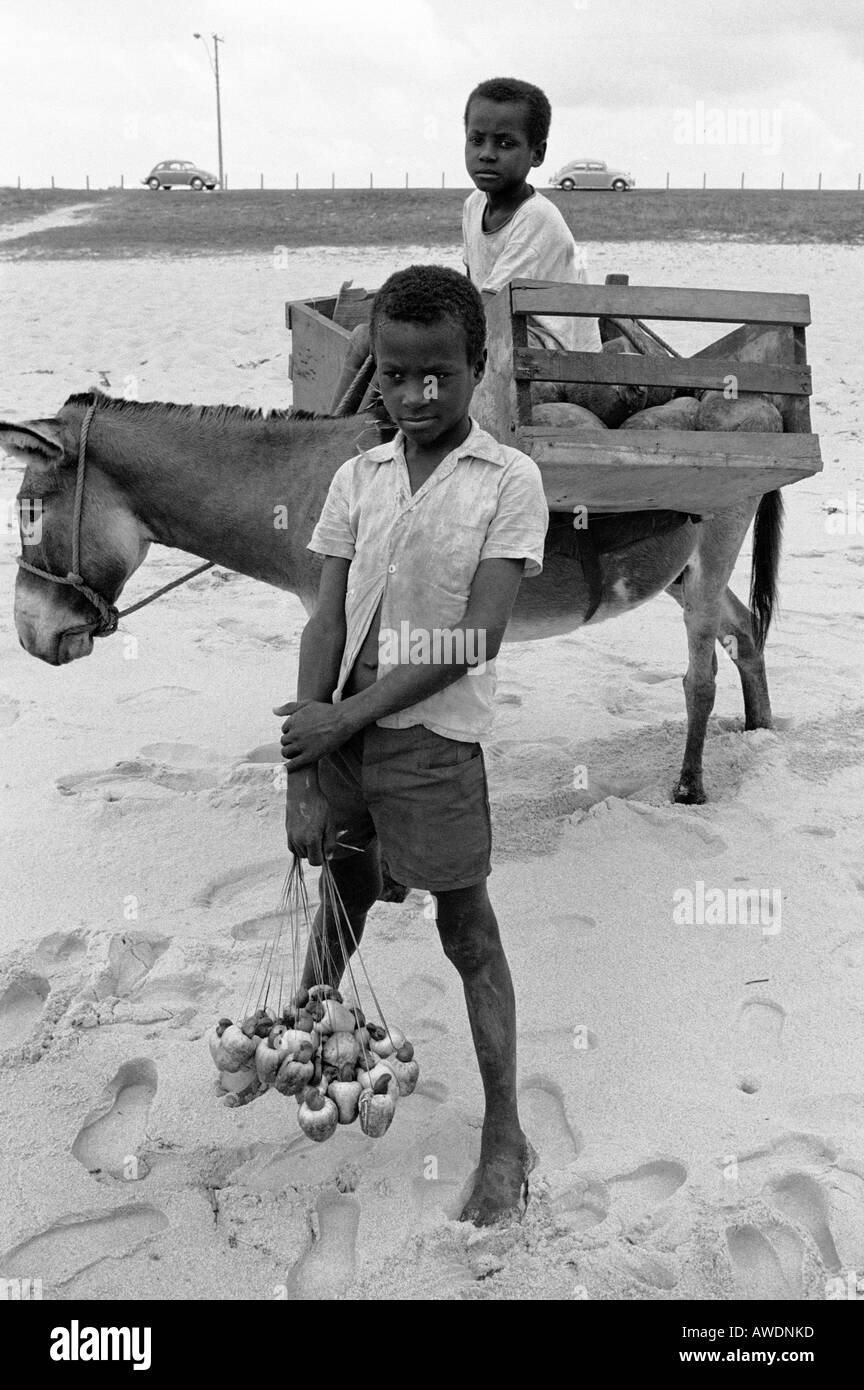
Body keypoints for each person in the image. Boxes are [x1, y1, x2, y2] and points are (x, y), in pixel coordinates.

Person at [274, 265, 549, 1225]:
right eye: (394, 376)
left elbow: (475, 637)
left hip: (431, 744)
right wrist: (308, 764)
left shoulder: (510, 481)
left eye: (437, 375)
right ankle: (307, 1047)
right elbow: (324, 618)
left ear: (478, 367)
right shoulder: (359, 476)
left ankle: (505, 1133)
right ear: (375, 377)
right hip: (338, 735)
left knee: (465, 931)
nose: (415, 396)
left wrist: (346, 720)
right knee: (341, 885)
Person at [462, 76, 600, 354]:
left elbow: (492, 306)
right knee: (368, 338)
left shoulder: (536, 218)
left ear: (537, 153)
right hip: (499, 332)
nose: (487, 154)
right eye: (477, 140)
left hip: (551, 351)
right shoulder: (473, 205)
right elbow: (471, 288)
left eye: (505, 144)